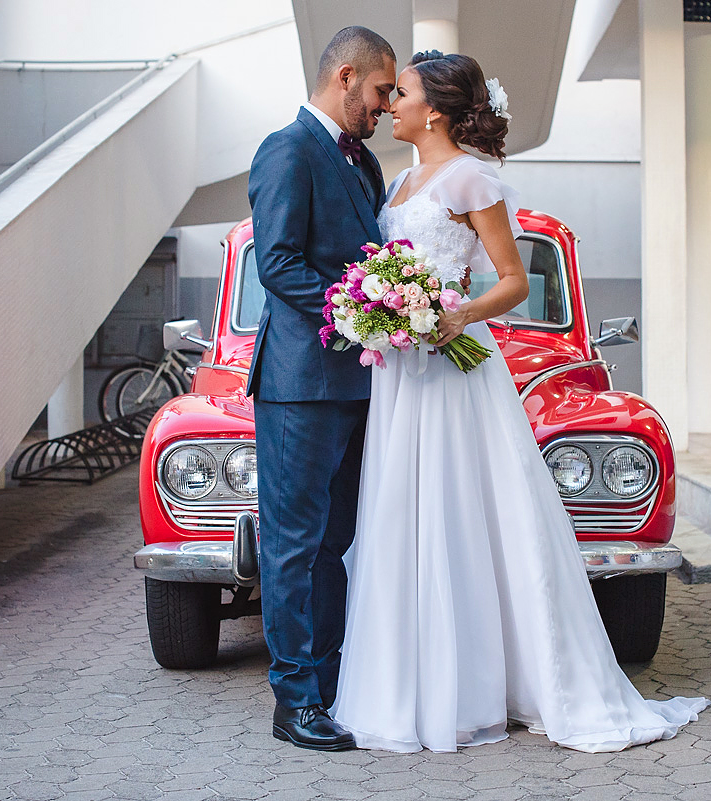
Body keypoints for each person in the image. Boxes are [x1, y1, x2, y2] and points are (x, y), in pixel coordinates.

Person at [330, 50, 710, 753]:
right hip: (400, 376)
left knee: (459, 512)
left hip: (451, 371)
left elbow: (512, 281)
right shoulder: (400, 180)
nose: (391, 104)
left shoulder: (473, 176)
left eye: (402, 93)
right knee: (402, 512)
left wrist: (455, 315)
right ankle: (409, 684)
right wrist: (377, 307)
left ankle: (479, 683)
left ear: (433, 111)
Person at [245, 26, 396, 751]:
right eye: (379, 90)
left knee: (337, 542)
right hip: (300, 387)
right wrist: (364, 308)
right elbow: (275, 264)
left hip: (358, 388)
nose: (386, 104)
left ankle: (331, 684)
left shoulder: (364, 163)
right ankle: (294, 700)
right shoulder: (286, 150)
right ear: (345, 78)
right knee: (294, 546)